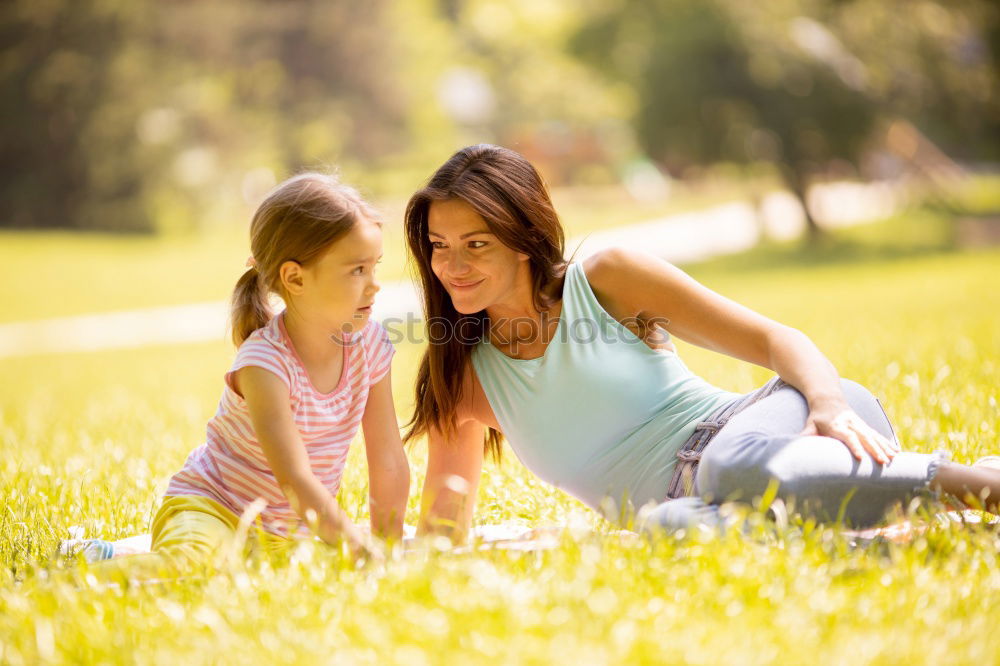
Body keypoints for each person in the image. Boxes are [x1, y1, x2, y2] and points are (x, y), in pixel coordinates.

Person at [403, 144, 1000, 540]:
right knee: (667, 527)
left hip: (789, 427)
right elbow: (443, 521)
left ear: (524, 236)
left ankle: (980, 487)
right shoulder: (463, 377)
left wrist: (828, 405)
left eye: (475, 244)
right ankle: (923, 525)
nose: (450, 265)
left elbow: (775, 339)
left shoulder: (605, 279)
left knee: (732, 466)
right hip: (711, 500)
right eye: (438, 244)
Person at [73, 173, 409, 569]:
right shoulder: (264, 364)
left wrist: (388, 549)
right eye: (357, 271)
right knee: (197, 568)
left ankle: (117, 551)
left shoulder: (370, 347)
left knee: (304, 575)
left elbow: (387, 457)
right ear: (295, 278)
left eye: (374, 267)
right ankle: (76, 579)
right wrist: (354, 546)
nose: (374, 286)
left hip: (292, 532)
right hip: (215, 509)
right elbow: (295, 480)